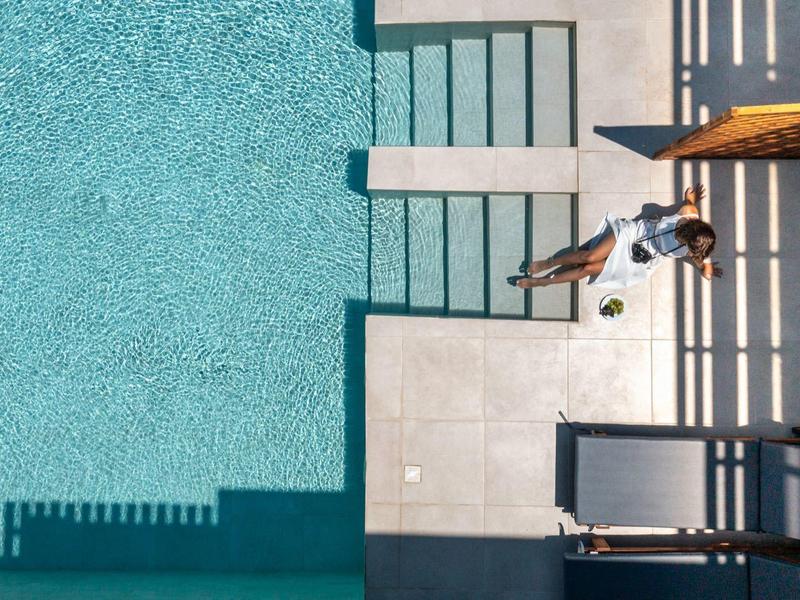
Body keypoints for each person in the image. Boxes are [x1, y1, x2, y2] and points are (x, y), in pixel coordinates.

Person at [511, 183, 722, 289]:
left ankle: (544, 283)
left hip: (640, 260)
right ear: (693, 229)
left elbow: (702, 263)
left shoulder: (692, 250)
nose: (692, 252)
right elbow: (689, 203)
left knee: (588, 269)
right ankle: (549, 263)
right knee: (589, 257)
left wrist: (706, 267)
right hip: (634, 234)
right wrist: (690, 198)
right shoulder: (687, 216)